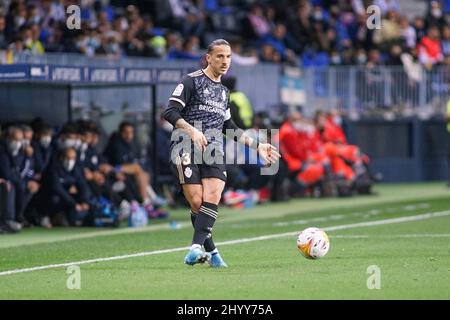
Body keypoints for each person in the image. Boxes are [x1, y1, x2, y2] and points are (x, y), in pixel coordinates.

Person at [163, 39, 280, 267]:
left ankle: (195, 248)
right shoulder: (191, 81)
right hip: (184, 145)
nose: (225, 61)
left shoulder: (224, 92)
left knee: (213, 196)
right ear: (209, 58)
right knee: (197, 202)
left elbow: (230, 128)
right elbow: (170, 112)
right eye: (220, 56)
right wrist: (192, 131)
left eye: (228, 57)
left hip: (213, 149)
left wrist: (257, 145)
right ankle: (213, 253)